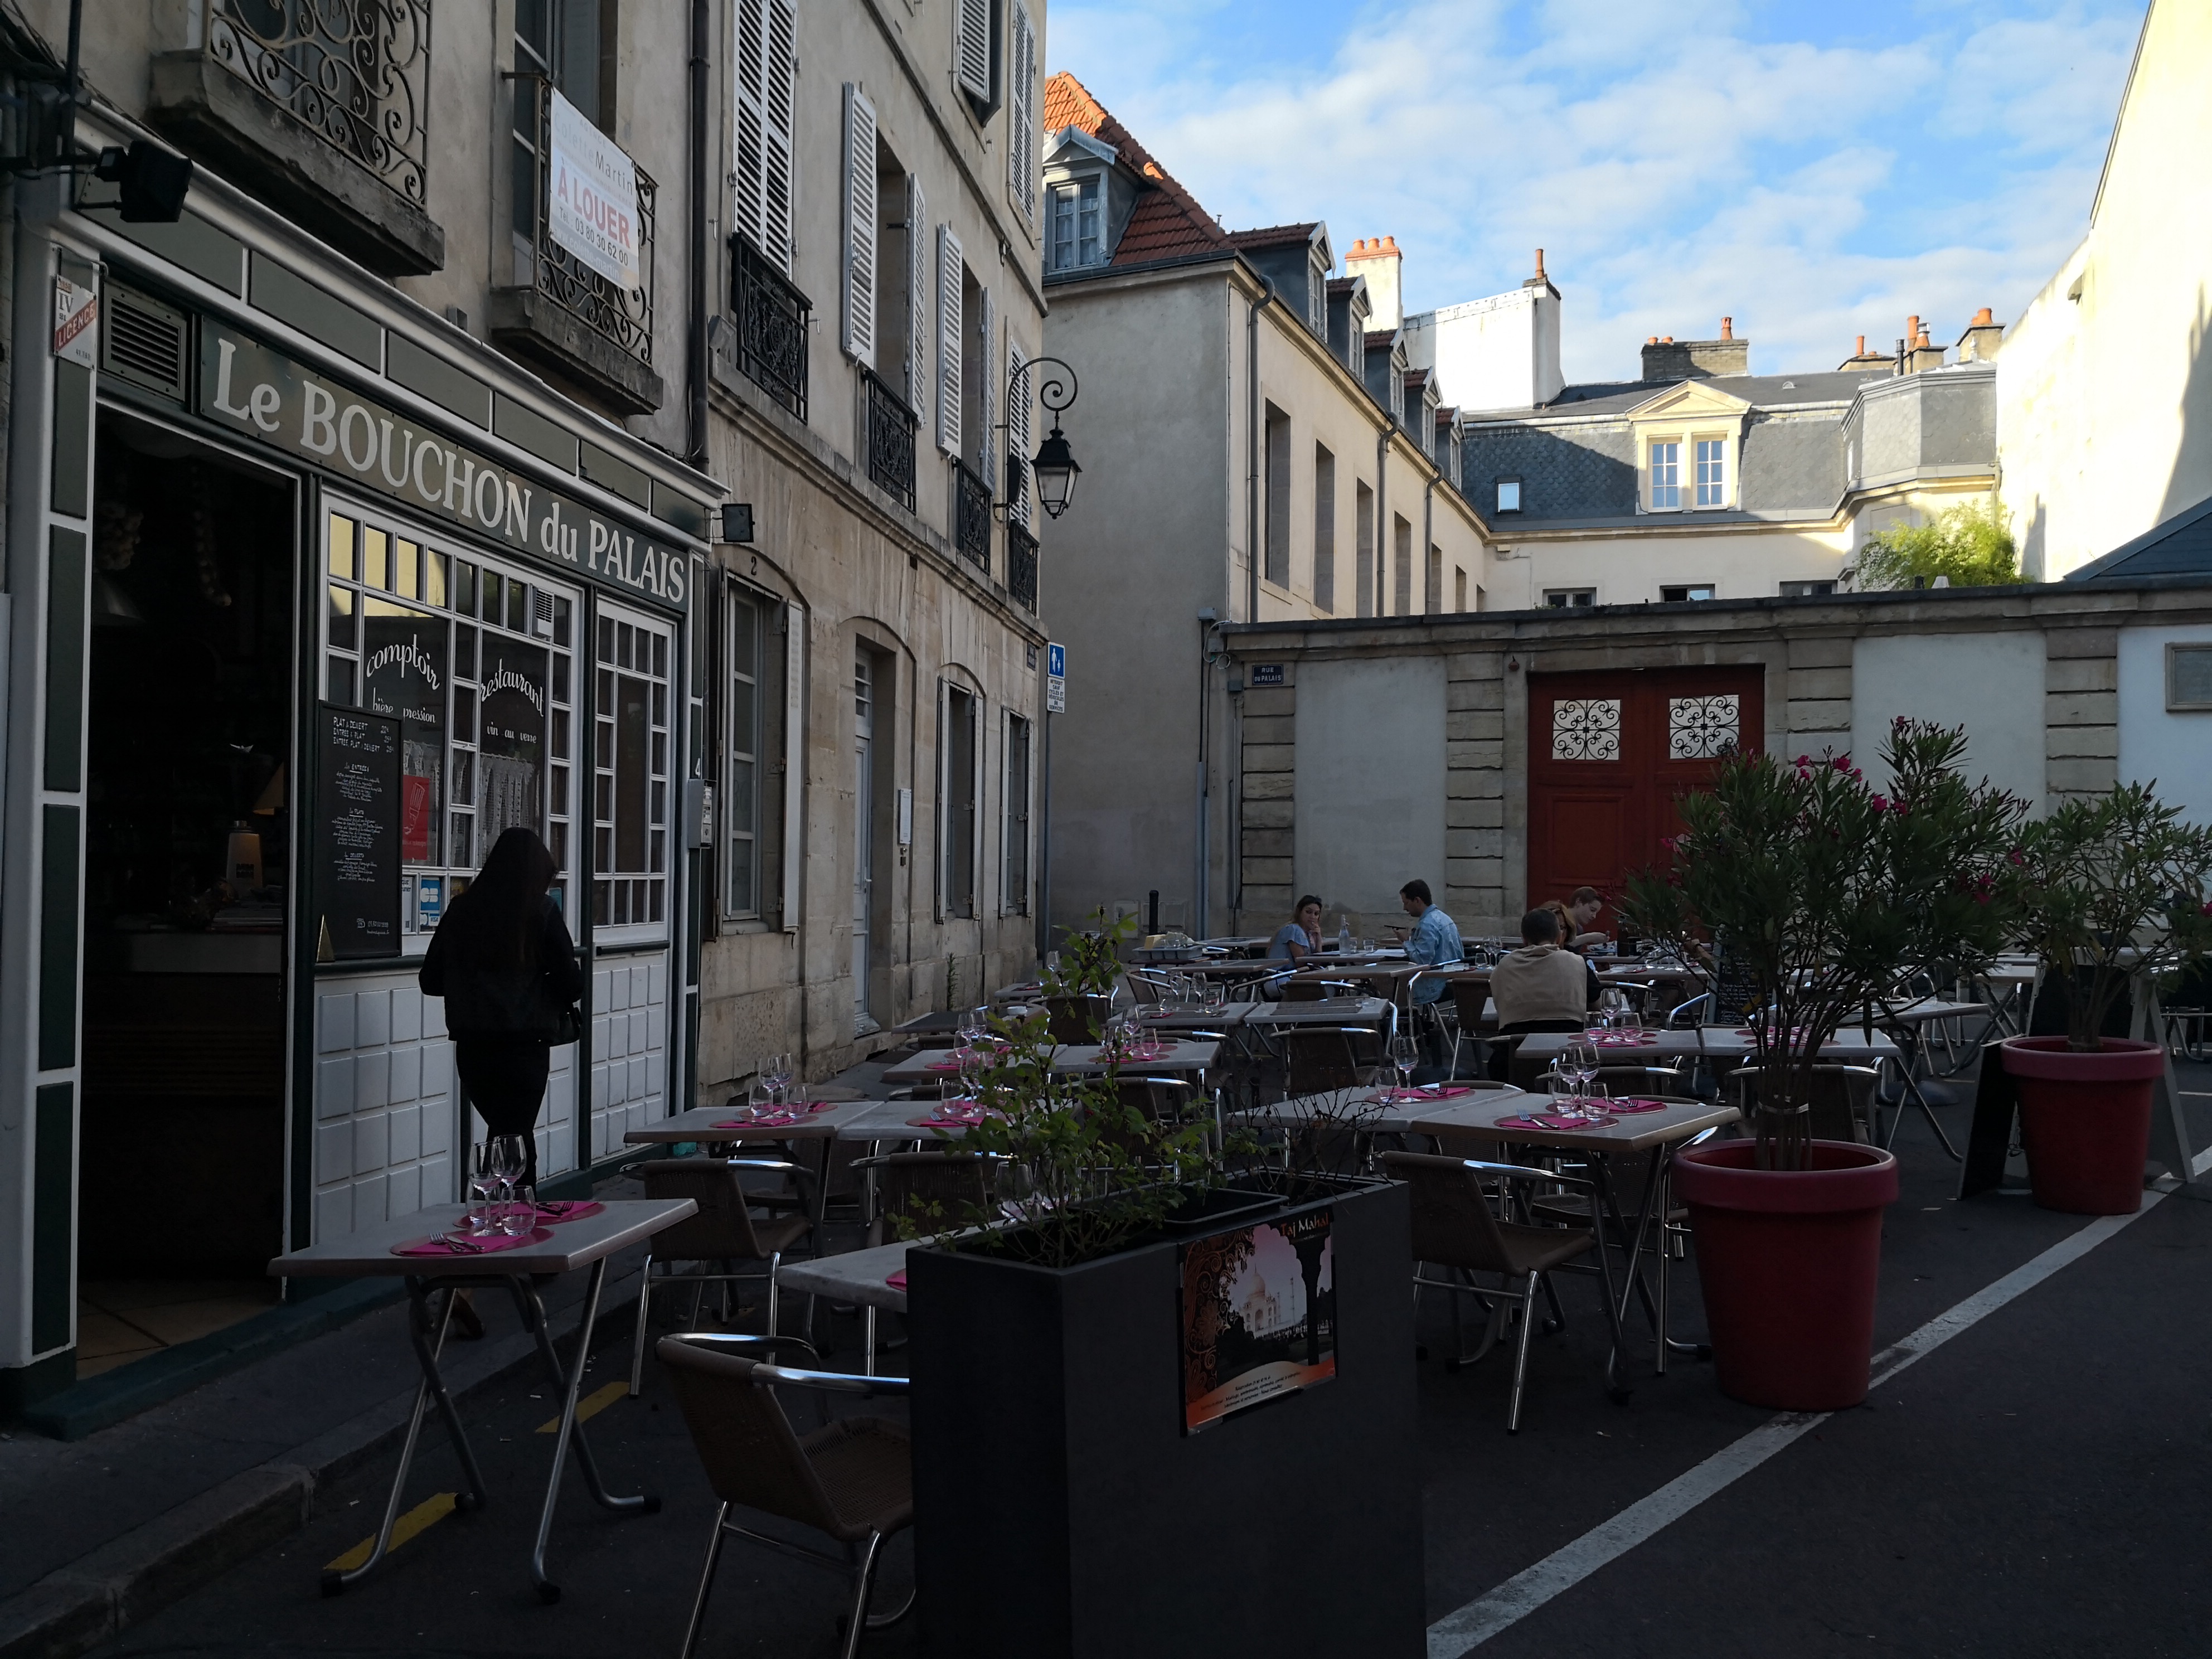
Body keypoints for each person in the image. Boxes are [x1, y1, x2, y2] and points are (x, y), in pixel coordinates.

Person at [419, 827, 583, 1196]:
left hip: (474, 1047)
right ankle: (510, 1216)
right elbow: (572, 985)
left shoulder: (462, 910)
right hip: (525, 1046)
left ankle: (494, 1209)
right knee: (515, 1139)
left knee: (507, 1133)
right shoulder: (541, 912)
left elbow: (430, 979)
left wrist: (471, 983)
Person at [1488, 908, 1594, 1080]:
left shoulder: (1504, 966)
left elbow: (1499, 1007)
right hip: (1571, 1062)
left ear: (1524, 939)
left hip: (1513, 1064)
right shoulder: (1578, 963)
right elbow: (1598, 1006)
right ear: (1559, 937)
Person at [1269, 895, 1325, 964]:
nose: (1313, 917)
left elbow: (1317, 960)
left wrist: (1319, 937)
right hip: (1282, 970)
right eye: (1308, 912)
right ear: (1299, 912)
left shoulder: (1309, 933)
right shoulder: (1294, 929)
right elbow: (1301, 962)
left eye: (1316, 914)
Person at [1564, 886, 1611, 953]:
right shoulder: (1558, 921)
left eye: (1596, 913)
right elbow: (1558, 949)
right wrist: (1589, 937)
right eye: (1592, 910)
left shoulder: (1579, 929)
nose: (1594, 916)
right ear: (1578, 902)